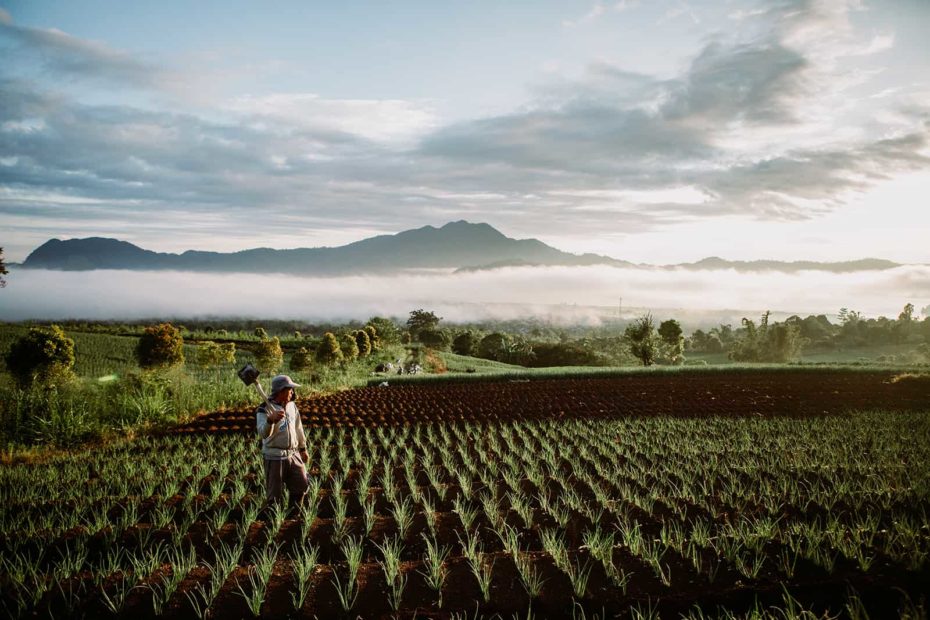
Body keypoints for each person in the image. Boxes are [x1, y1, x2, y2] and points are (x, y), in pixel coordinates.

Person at [256, 374, 309, 507]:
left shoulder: (292, 406)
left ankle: (293, 514)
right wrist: (270, 421)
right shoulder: (264, 409)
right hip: (274, 457)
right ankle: (274, 522)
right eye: (289, 389)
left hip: (293, 453)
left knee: (301, 485)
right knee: (274, 496)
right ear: (281, 391)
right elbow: (263, 433)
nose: (292, 392)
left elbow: (298, 428)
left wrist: (303, 448)